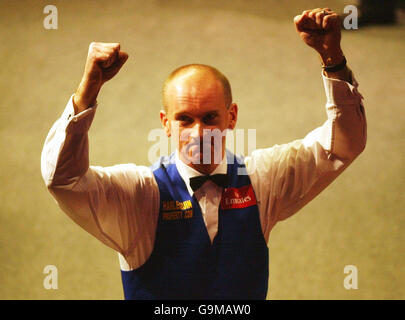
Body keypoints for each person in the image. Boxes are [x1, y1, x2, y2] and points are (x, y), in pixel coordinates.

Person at [41, 8, 367, 299]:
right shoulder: (139, 195)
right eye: (185, 119)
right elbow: (63, 180)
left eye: (210, 117)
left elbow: (341, 146)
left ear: (232, 117)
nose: (199, 132)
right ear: (165, 124)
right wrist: (87, 91)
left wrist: (333, 60)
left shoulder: (263, 179)